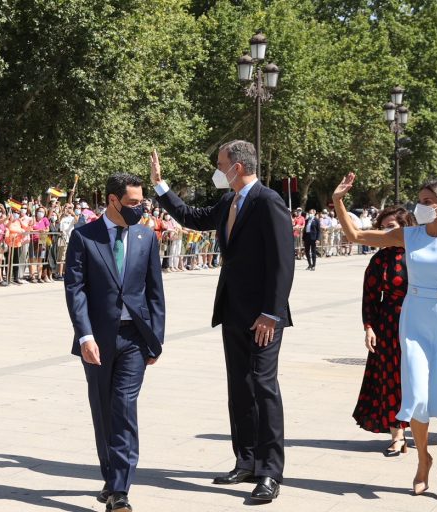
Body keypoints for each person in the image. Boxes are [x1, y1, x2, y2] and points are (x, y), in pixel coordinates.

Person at [152, 140, 294, 501]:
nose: (217, 169)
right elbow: (192, 218)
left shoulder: (268, 201)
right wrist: (160, 186)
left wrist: (271, 312)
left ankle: (269, 471)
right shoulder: (229, 201)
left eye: (221, 163)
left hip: (263, 316)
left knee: (264, 388)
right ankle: (245, 459)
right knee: (240, 389)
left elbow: (283, 262)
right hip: (232, 311)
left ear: (239, 166)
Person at [333, 174, 437, 502]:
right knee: (416, 394)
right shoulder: (409, 236)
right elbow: (357, 234)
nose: (420, 206)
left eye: (427, 201)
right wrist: (338, 201)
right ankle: (422, 459)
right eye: (419, 199)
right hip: (414, 319)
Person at [65, 173, 165, 512]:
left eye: (141, 202)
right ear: (113, 200)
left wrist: (156, 340)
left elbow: (155, 293)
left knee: (124, 408)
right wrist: (85, 336)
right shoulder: (84, 236)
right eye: (134, 203)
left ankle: (121, 489)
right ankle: (110, 477)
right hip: (98, 341)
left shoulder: (146, 236)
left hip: (135, 338)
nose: (140, 208)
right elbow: (75, 290)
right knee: (103, 410)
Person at [352, 206, 415, 456]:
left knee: (419, 378)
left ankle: (422, 429)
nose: (388, 231)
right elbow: (370, 297)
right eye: (384, 226)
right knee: (391, 378)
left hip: (420, 321)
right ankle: (397, 435)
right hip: (389, 324)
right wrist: (369, 327)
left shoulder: (420, 252)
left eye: (393, 226)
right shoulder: (380, 259)